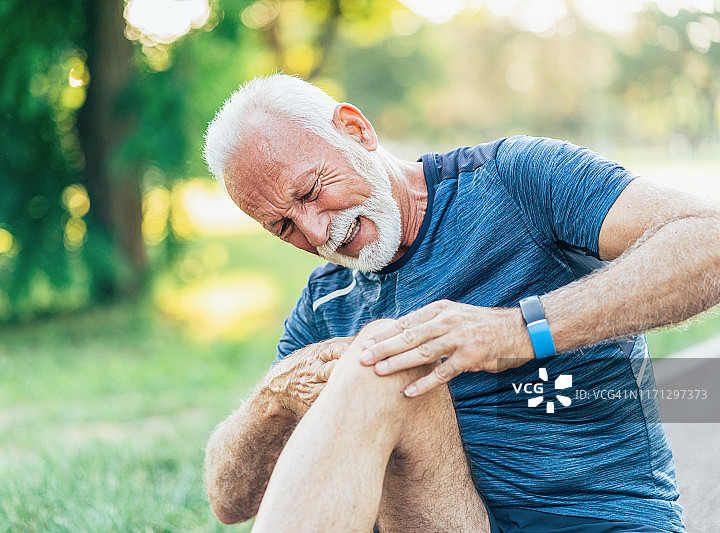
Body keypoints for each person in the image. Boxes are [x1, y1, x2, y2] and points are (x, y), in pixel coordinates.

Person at [201, 74, 720, 532]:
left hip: (593, 518)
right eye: (283, 226)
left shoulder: (514, 180)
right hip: (443, 518)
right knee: (380, 358)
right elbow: (231, 503)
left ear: (356, 130)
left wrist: (519, 330)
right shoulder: (324, 301)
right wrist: (273, 396)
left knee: (380, 354)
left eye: (312, 190)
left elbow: (709, 240)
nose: (317, 231)